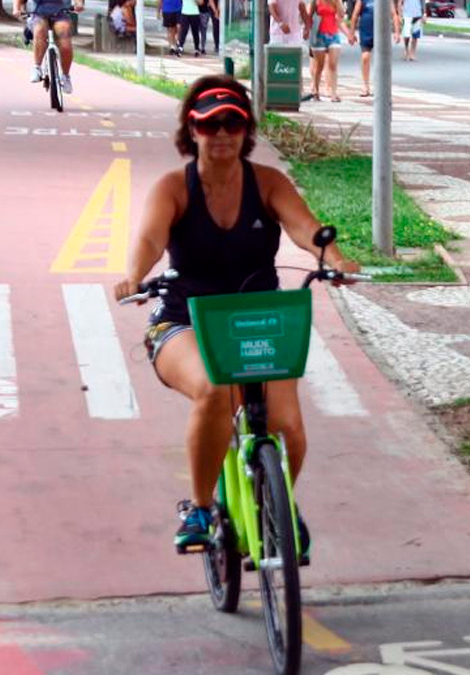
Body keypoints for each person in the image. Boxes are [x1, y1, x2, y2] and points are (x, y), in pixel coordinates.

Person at [112, 75, 361, 551]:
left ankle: (277, 501)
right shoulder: (174, 188)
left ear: (247, 131)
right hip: (184, 320)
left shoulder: (267, 183)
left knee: (289, 429)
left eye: (233, 123)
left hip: (258, 319)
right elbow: (149, 239)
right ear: (192, 130)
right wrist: (134, 274)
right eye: (210, 125)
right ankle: (200, 508)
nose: (222, 133)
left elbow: (306, 228)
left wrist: (335, 260)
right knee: (215, 388)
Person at [15, 0, 83, 93]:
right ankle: (37, 67)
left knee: (65, 38)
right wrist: (17, 8)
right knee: (39, 31)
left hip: (61, 13)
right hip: (38, 13)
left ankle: (65, 76)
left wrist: (79, 4)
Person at [349, 0, 399, 97]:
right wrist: (352, 33)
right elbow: (355, 15)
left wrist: (397, 33)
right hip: (366, 31)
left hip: (382, 32)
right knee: (365, 57)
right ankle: (365, 86)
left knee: (383, 60)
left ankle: (382, 86)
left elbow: (394, 15)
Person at [308, 0, 349, 102]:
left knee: (333, 64)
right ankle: (316, 91)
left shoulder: (335, 1)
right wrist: (307, 31)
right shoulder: (316, 1)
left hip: (333, 35)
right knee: (319, 65)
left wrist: (338, 2)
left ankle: (334, 94)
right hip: (319, 35)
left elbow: (341, 15)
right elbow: (309, 16)